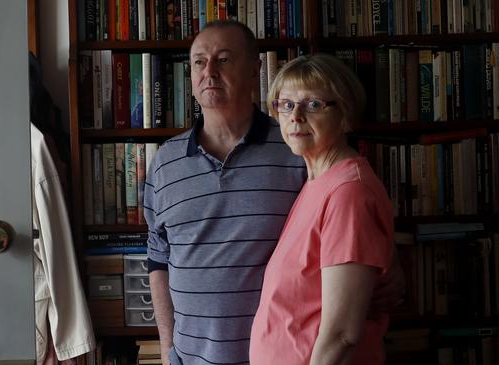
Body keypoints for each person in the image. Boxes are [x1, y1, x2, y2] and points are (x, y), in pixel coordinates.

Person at [145, 21, 403, 365]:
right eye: (198, 62)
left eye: (223, 59)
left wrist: (392, 269)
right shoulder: (164, 162)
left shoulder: (298, 148)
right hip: (192, 358)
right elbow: (158, 258)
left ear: (255, 70)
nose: (209, 72)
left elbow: (354, 227)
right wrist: (167, 350)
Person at [249, 53, 394, 365]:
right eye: (285, 104)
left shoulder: (348, 193)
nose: (295, 116)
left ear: (345, 114)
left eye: (313, 104)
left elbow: (343, 334)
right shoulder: (318, 182)